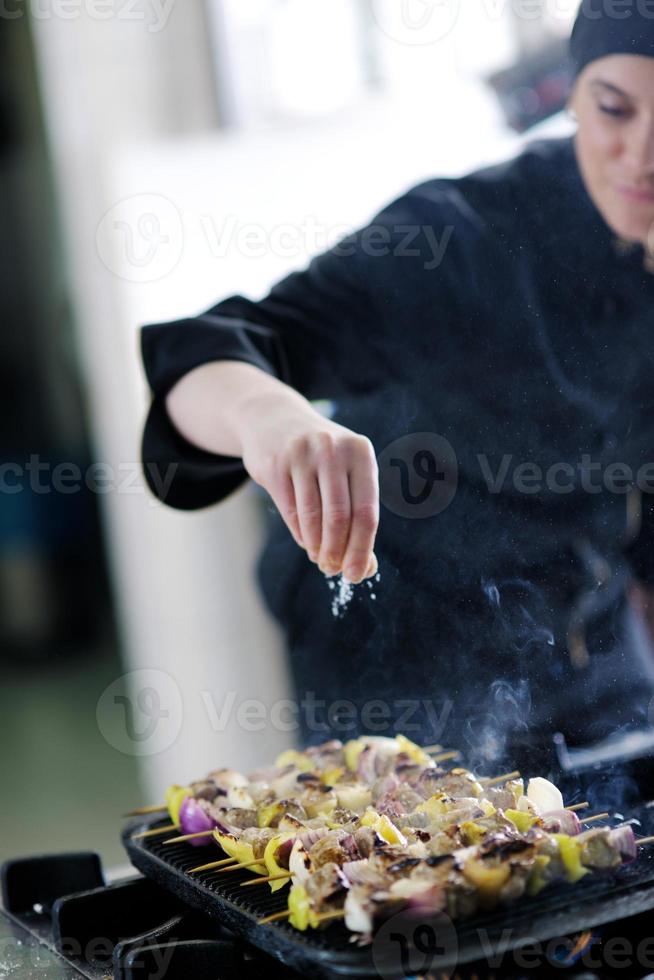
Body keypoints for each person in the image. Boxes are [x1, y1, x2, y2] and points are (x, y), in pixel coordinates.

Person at [140, 2, 654, 772]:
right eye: (614, 109)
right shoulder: (460, 238)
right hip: (402, 632)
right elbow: (212, 353)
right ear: (572, 94)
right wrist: (267, 417)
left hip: (590, 624)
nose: (642, 156)